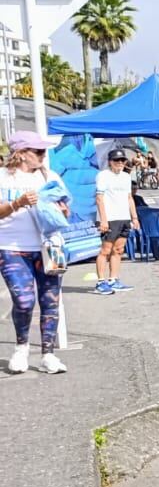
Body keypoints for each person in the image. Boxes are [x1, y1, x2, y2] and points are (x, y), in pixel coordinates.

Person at [1, 131, 68, 375]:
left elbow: (65, 210)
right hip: (11, 247)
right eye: (38, 151)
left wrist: (62, 210)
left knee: (51, 300)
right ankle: (21, 347)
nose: (43, 155)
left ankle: (48, 354)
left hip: (51, 245)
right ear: (20, 153)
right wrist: (16, 204)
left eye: (44, 151)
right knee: (24, 300)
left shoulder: (50, 177)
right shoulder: (2, 178)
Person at [94, 147, 135, 294]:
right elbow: (99, 199)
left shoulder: (126, 177)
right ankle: (100, 282)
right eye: (116, 160)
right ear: (110, 162)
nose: (120, 163)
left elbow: (129, 198)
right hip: (109, 218)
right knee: (105, 250)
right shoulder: (103, 176)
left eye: (122, 160)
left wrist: (134, 217)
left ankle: (114, 279)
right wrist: (103, 220)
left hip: (123, 217)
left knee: (118, 250)